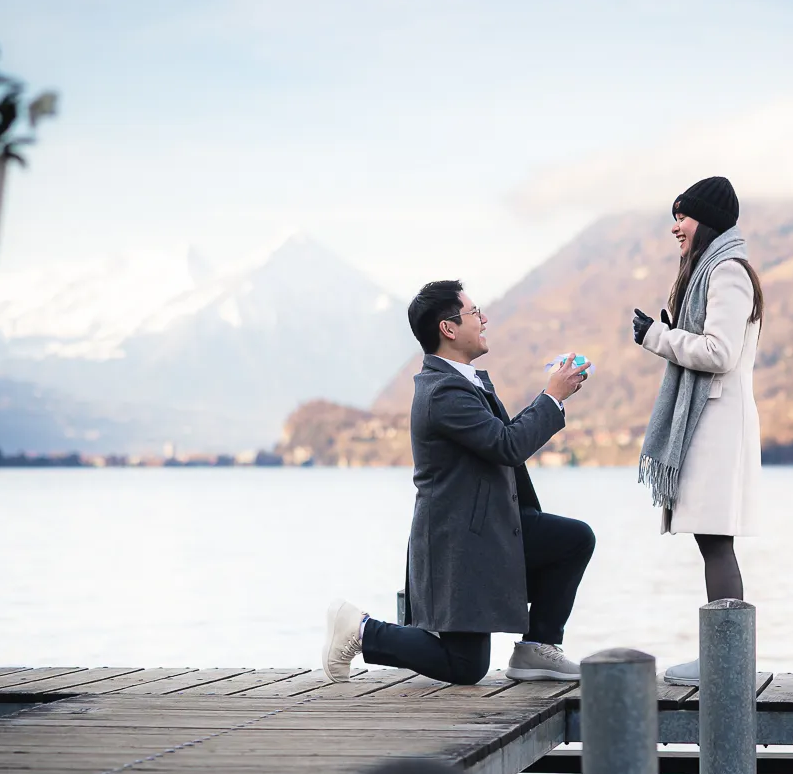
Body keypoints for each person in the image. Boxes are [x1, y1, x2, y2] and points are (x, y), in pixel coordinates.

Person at [324, 280, 595, 685]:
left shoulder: (465, 381)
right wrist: (552, 398)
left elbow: (501, 440)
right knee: (465, 666)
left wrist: (551, 397)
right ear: (448, 329)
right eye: (474, 313)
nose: (484, 319)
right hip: (459, 547)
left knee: (572, 539)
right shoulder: (442, 391)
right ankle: (361, 630)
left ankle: (536, 648)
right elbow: (506, 445)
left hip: (493, 530)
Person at [631, 176, 764, 685]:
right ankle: (726, 657)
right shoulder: (715, 270)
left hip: (716, 422)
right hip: (713, 420)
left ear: (704, 220)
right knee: (713, 540)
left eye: (682, 216)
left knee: (715, 540)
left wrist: (658, 336)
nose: (675, 227)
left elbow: (720, 353)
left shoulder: (727, 271)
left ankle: (727, 661)